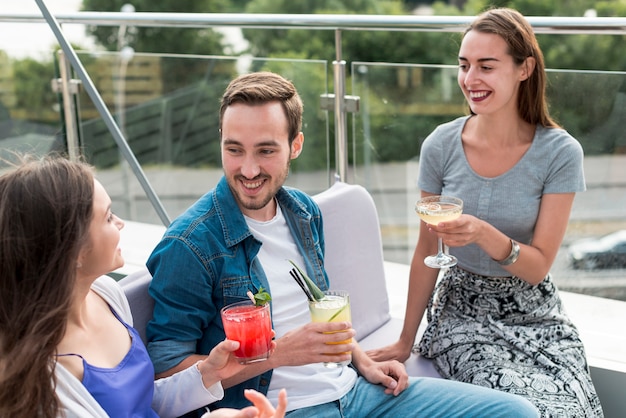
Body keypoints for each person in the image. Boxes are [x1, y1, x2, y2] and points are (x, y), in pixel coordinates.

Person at [145, 71, 539, 417]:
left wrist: (364, 361)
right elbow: (164, 376)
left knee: (517, 412)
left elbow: (321, 315)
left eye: (266, 151)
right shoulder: (191, 245)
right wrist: (279, 353)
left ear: (295, 146)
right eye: (234, 150)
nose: (248, 169)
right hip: (282, 409)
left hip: (353, 391)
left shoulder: (303, 212)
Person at [366, 7, 603, 418]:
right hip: (463, 312)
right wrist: (407, 339)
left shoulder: (561, 153)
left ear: (524, 68)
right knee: (529, 409)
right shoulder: (440, 145)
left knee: (574, 408)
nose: (470, 80)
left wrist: (481, 233)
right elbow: (427, 247)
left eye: (486, 66)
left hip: (538, 315)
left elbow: (538, 268)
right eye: (464, 66)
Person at [0, 155, 287, 418]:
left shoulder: (105, 295)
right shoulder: (47, 376)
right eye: (109, 216)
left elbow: (142, 402)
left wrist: (206, 373)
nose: (121, 223)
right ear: (73, 250)